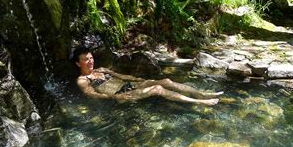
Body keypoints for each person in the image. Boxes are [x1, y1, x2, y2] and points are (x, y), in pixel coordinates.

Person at [73, 47, 222, 106]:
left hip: (129, 86)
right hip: (120, 95)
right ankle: (199, 102)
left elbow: (122, 76)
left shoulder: (102, 69)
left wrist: (139, 80)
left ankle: (202, 94)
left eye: (91, 57)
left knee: (165, 81)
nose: (90, 61)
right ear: (78, 64)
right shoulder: (82, 80)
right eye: (86, 59)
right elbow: (90, 94)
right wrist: (113, 98)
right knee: (157, 88)